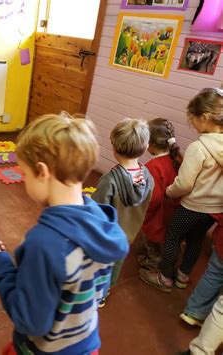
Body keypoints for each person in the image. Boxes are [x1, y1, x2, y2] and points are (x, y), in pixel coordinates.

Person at [0, 113, 129, 355]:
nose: (24, 181)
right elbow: (98, 290)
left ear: (42, 172)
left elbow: (30, 321)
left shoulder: (44, 244)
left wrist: (1, 266)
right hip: (86, 344)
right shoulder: (103, 221)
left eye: (25, 174)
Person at [139, 88, 223, 292]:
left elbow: (184, 184)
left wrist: (169, 192)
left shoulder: (199, 148)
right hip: (214, 210)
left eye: (192, 119)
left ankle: (165, 277)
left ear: (204, 117)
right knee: (196, 241)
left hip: (191, 207)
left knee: (172, 238)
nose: (191, 123)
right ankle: (183, 276)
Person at [92, 118, 153, 300]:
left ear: (114, 148)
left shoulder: (109, 180)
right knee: (116, 264)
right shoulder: (148, 176)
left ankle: (96, 295)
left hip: (105, 236)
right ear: (146, 146)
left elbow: (97, 211)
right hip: (128, 234)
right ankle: (106, 292)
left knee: (99, 265)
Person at [139, 118, 182, 270]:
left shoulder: (153, 166)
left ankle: (154, 262)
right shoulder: (176, 159)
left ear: (150, 144)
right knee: (168, 235)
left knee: (151, 237)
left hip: (158, 212)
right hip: (172, 210)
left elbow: (154, 198)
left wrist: (143, 212)